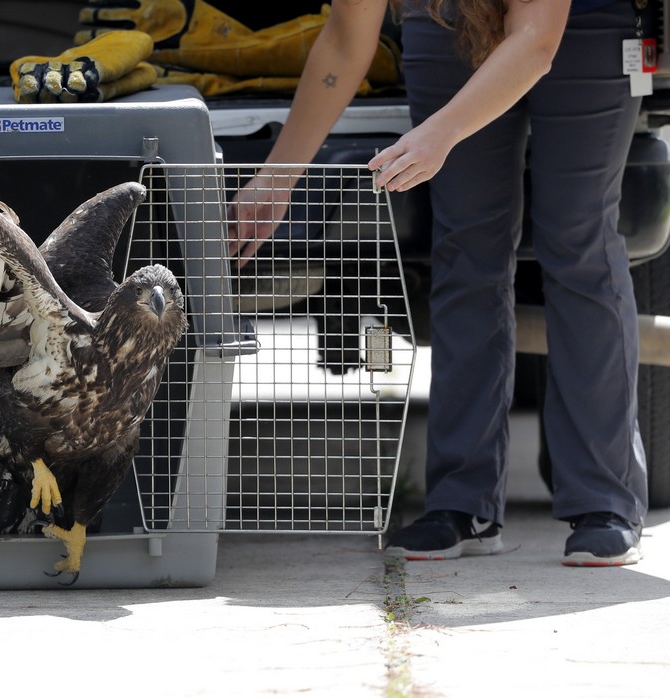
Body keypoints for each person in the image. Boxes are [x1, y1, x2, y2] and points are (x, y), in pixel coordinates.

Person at [230, 0, 648, 566]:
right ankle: (462, 502)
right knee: (466, 248)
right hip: (448, 19)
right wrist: (278, 175)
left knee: (578, 240)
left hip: (579, 26)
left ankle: (605, 500)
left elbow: (535, 40)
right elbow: (348, 40)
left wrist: (439, 136)